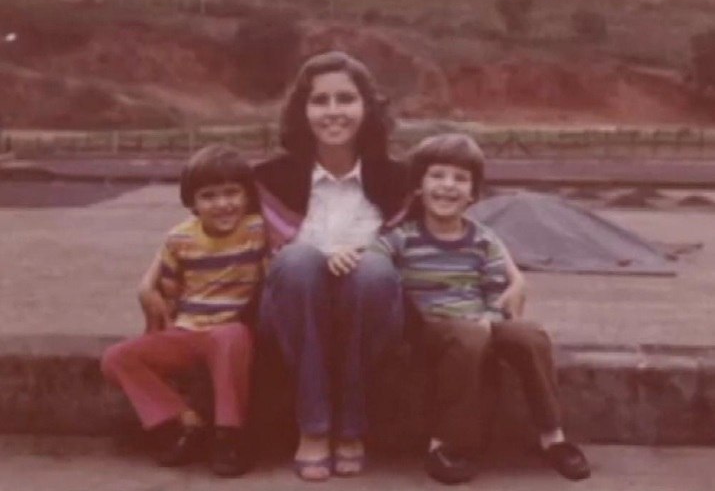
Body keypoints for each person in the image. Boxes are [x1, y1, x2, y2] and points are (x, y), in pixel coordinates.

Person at [371, 133, 590, 485]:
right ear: (419, 187)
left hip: (479, 321)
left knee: (530, 335)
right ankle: (445, 442)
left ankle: (552, 436)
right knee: (468, 336)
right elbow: (373, 264)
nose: (448, 186)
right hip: (431, 330)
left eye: (460, 179)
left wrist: (489, 319)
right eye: (437, 175)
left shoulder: (483, 239)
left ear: (473, 193)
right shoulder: (402, 237)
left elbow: (495, 290)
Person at [253, 50, 408, 481]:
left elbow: (448, 231)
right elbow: (210, 228)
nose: (333, 111)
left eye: (346, 99)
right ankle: (315, 426)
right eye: (320, 100)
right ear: (302, 112)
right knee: (298, 260)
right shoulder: (267, 178)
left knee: (374, 270)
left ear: (367, 107)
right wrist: (155, 276)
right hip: (293, 310)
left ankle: (352, 426)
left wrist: (508, 272)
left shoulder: (400, 180)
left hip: (371, 310)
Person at [101, 144, 265, 477]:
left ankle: (229, 434)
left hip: (229, 332)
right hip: (187, 330)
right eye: (209, 196)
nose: (222, 204)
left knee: (231, 336)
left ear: (247, 195)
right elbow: (169, 292)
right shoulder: (179, 239)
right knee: (116, 358)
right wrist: (156, 320)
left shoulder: (258, 229)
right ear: (192, 202)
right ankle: (184, 421)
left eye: (232, 193)